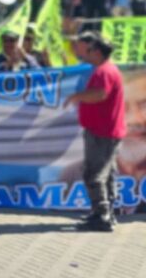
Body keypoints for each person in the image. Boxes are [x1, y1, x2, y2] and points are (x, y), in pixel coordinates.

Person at [63, 36, 125, 232]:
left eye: (89, 50)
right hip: (106, 130)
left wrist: (76, 96)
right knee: (106, 174)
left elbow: (100, 94)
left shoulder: (103, 71)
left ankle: (102, 215)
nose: (86, 54)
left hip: (102, 132)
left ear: (97, 52)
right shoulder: (107, 69)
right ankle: (106, 213)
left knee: (94, 174)